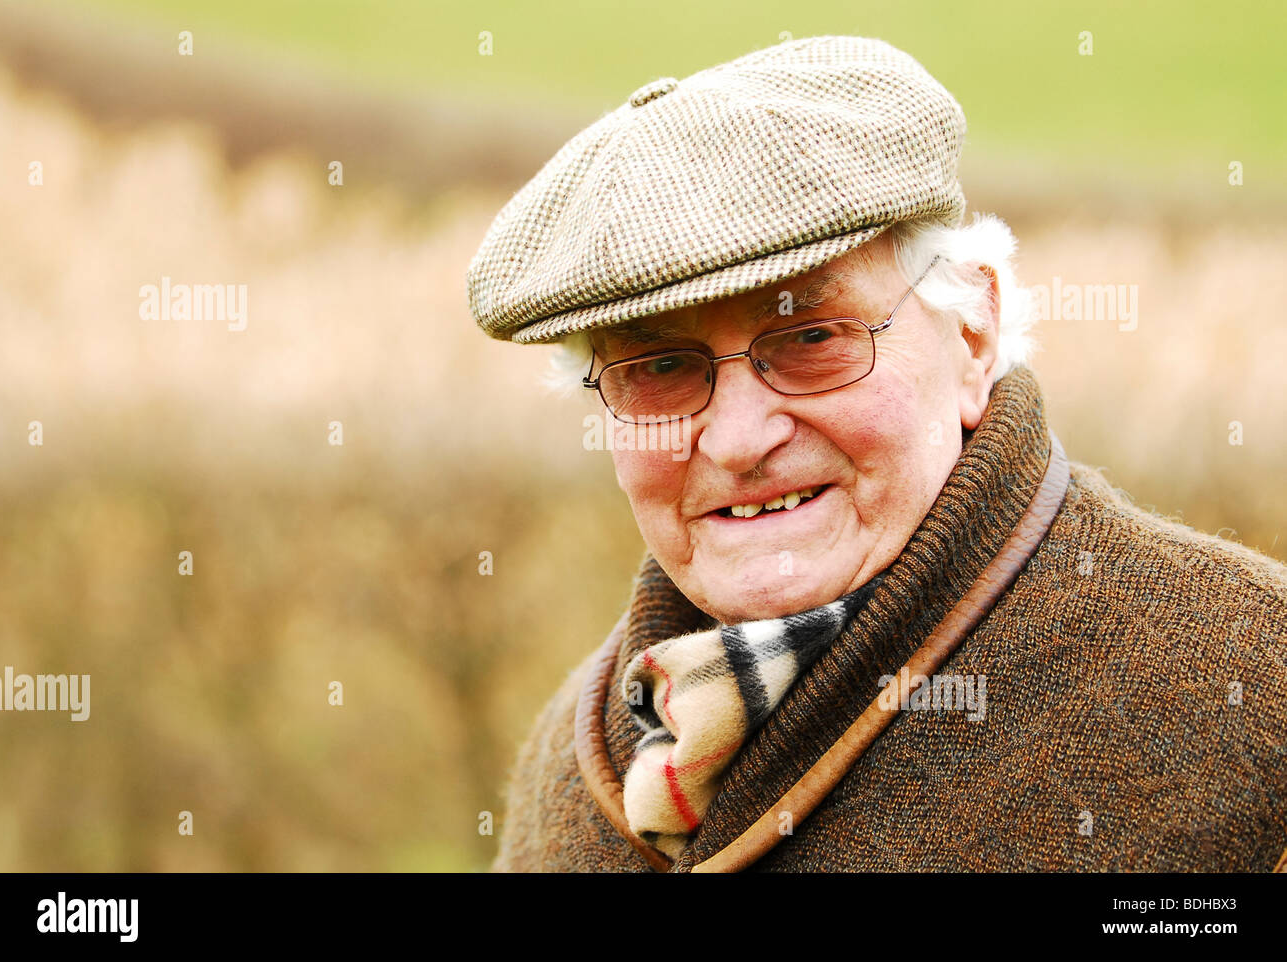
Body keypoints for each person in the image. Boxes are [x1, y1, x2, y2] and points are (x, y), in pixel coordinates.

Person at [465, 35, 1287, 872]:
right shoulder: (576, 756)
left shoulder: (1255, 691)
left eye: (813, 337)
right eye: (662, 368)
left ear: (972, 333)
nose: (742, 440)